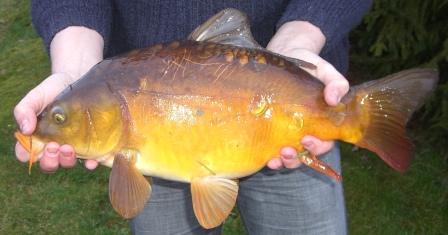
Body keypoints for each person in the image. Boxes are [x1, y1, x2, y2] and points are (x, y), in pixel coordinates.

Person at [15, 1, 372, 234]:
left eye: (60, 117)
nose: (53, 124)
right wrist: (74, 70)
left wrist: (300, 40)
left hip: (286, 93)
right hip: (135, 75)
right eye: (61, 118)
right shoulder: (107, 102)